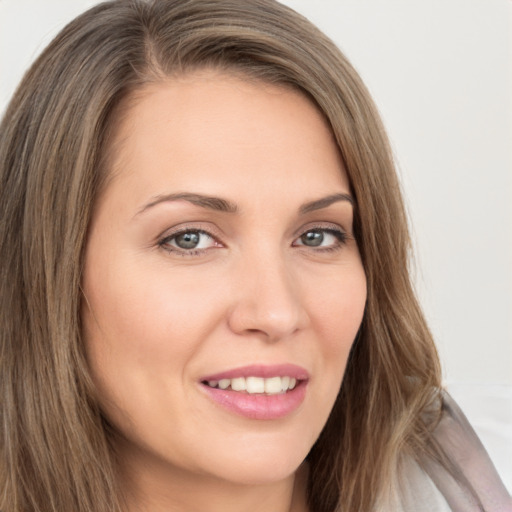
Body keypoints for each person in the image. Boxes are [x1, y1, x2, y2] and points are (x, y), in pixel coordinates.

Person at [0, 1, 510, 511]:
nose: (277, 313)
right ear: (48, 271)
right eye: (190, 239)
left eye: (317, 236)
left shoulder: (485, 471)